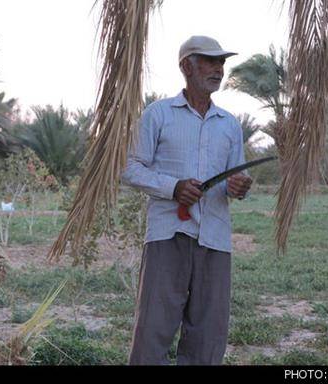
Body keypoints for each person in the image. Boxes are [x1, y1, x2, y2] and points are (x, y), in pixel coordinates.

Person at [121, 35, 253, 365]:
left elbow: (233, 181)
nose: (218, 69)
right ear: (186, 66)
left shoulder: (230, 125)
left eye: (222, 62)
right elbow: (129, 168)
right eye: (209, 61)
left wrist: (239, 186)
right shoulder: (158, 114)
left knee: (209, 335)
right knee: (153, 328)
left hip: (215, 238)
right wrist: (173, 187)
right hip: (168, 235)